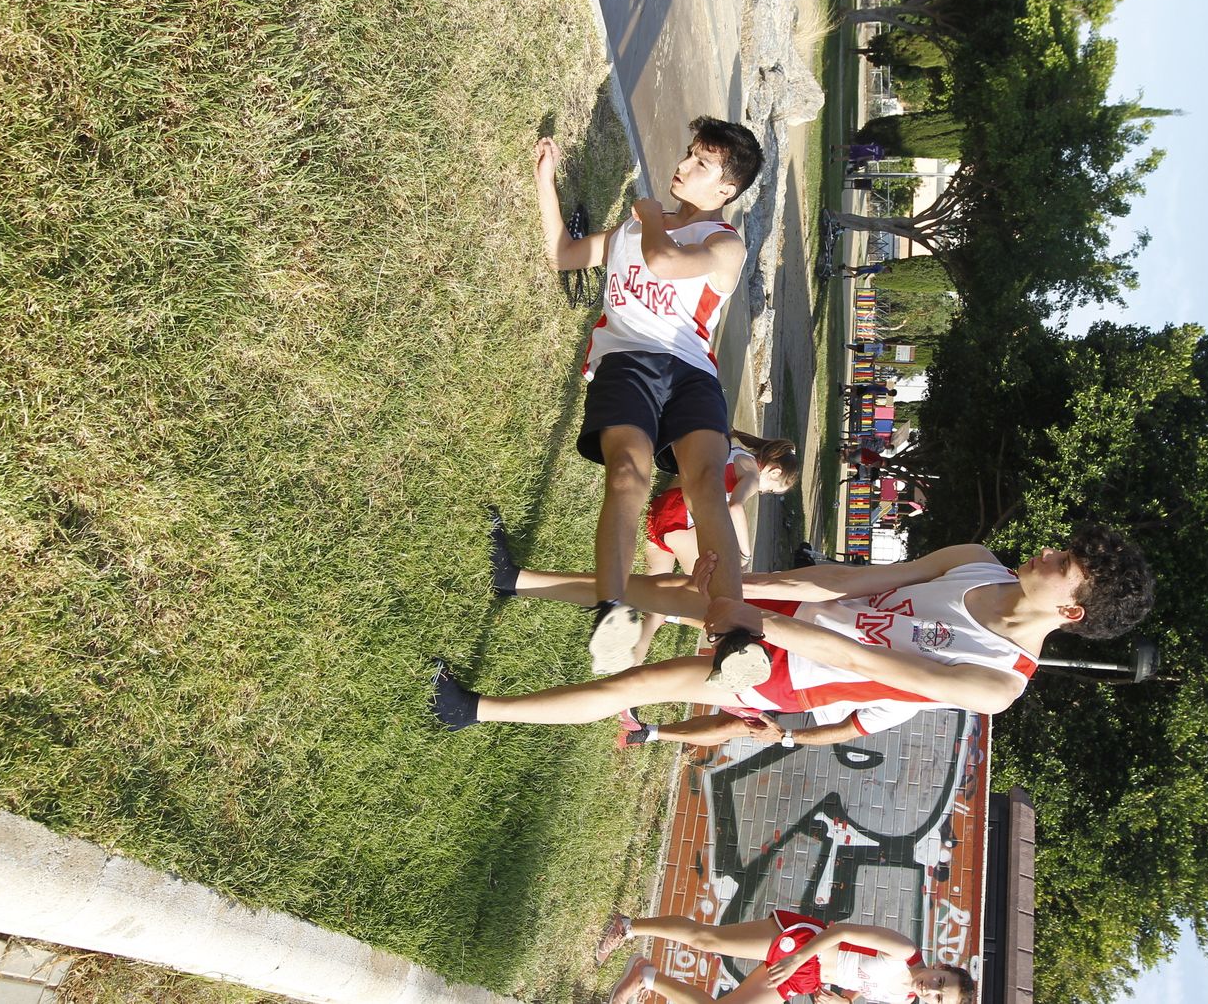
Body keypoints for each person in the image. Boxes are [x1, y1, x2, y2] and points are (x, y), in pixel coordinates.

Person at [431, 524, 1155, 743]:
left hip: (791, 673)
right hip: (793, 619)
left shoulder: (998, 682)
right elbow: (851, 582)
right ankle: (518, 580)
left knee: (638, 683)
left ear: (1072, 612)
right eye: (1064, 546)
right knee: (664, 590)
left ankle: (473, 709)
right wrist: (752, 587)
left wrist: (755, 621)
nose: (1051, 552)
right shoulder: (975, 562)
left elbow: (861, 658)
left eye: (1067, 564)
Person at [535, 117, 768, 684]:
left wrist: (646, 216)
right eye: (689, 154)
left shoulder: (722, 244)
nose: (683, 166)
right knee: (627, 476)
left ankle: (735, 632)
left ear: (725, 192)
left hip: (691, 373)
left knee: (707, 483)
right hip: (626, 361)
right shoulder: (630, 231)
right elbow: (565, 255)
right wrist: (545, 183)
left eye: (701, 165)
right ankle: (611, 611)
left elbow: (665, 262)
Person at [631, 429, 800, 665]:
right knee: (709, 598)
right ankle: (724, 652)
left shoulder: (737, 453)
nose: (763, 492)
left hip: (665, 515)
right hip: (680, 518)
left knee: (655, 601)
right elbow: (735, 507)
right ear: (774, 471)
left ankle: (632, 660)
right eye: (770, 489)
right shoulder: (751, 473)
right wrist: (744, 552)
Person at [594, 909, 974, 1004]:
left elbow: (859, 987)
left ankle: (644, 975)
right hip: (802, 943)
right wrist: (795, 958)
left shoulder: (904, 999)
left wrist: (843, 1001)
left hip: (803, 978)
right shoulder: (906, 952)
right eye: (941, 983)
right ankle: (627, 926)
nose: (931, 990)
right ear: (941, 967)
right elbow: (840, 931)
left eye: (939, 998)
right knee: (709, 940)